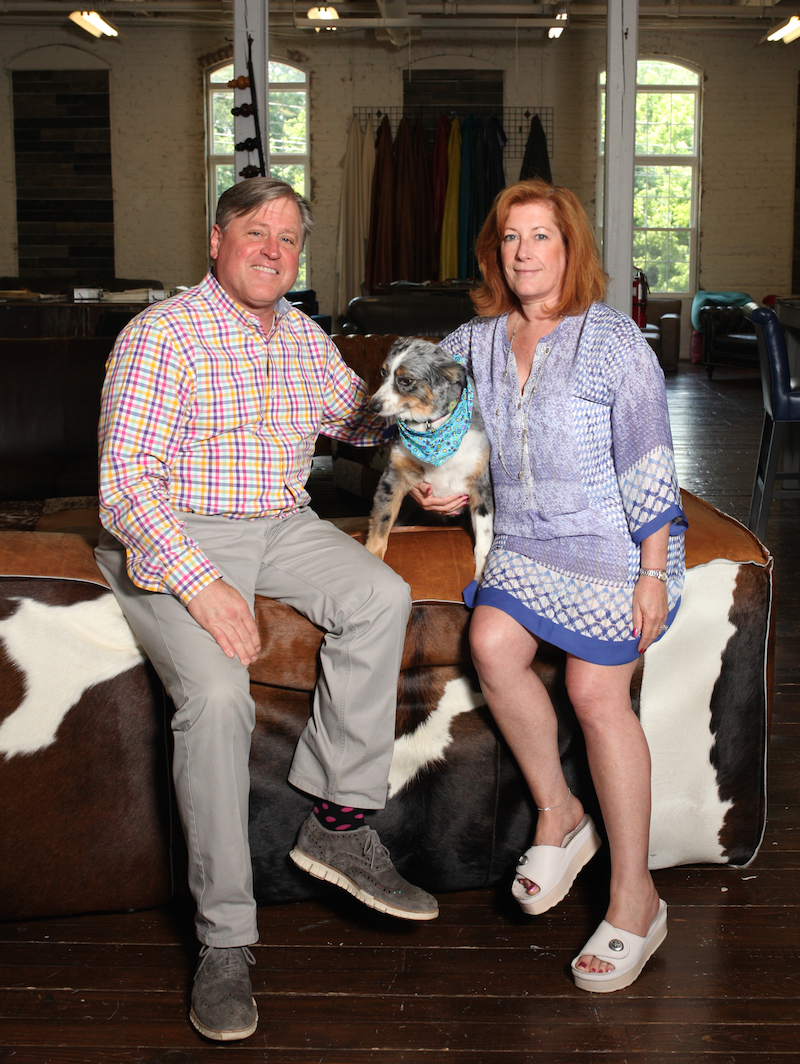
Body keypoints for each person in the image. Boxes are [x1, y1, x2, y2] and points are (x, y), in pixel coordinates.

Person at [95, 177, 438, 1043]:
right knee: (217, 698)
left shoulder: (301, 337)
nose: (272, 250)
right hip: (176, 523)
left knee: (379, 593)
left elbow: (354, 425)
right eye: (256, 231)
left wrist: (420, 414)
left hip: (279, 520)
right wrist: (202, 584)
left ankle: (337, 823)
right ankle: (224, 940)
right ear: (217, 241)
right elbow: (125, 485)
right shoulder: (162, 335)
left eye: (288, 238)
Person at [412, 178, 686, 993]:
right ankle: (560, 812)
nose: (524, 252)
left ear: (571, 250)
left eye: (541, 237)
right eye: (510, 238)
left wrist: (649, 572)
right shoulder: (475, 339)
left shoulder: (613, 342)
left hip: (612, 543)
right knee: (492, 643)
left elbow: (648, 459)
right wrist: (445, 478)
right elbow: (444, 429)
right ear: (496, 253)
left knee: (596, 693)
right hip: (527, 541)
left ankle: (636, 899)